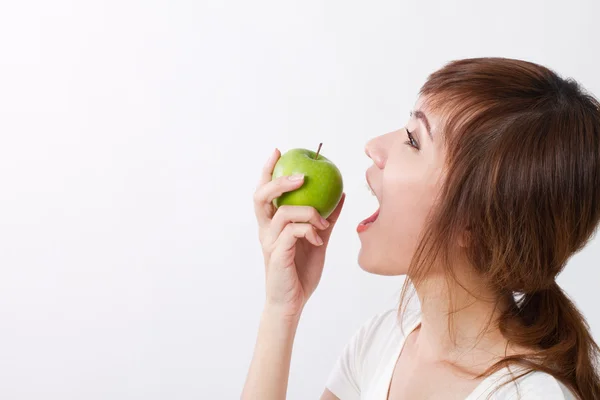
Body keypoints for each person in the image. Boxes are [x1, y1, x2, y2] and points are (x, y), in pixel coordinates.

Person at [241, 57, 600, 400]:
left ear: (473, 224)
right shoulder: (379, 344)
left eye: (414, 140)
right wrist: (280, 311)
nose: (374, 147)